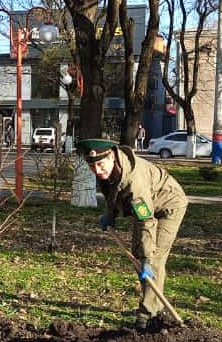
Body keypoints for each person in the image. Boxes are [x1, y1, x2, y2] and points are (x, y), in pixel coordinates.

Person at [80, 138, 188, 330]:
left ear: (112, 156)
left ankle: (147, 314)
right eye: (92, 166)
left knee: (152, 260)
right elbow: (112, 193)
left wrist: (147, 257)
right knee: (138, 256)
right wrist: (109, 215)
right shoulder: (108, 170)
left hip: (168, 207)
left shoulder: (134, 181)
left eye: (100, 164)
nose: (97, 170)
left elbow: (145, 220)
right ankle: (153, 303)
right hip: (148, 207)